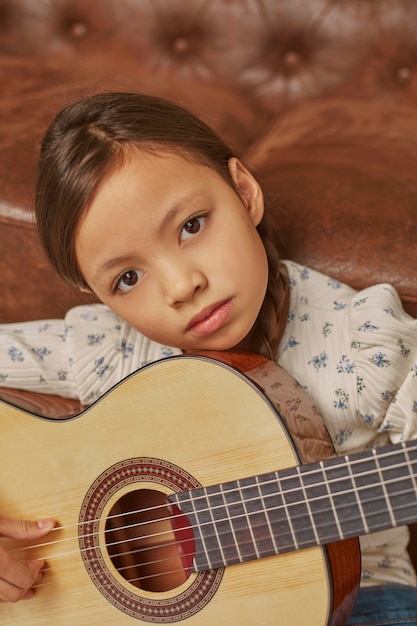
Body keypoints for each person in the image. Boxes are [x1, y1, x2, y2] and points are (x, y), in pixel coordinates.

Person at [0, 92, 416, 624]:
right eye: (128, 278)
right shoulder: (113, 348)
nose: (181, 285)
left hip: (360, 599)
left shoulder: (361, 344)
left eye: (192, 225)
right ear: (98, 296)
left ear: (244, 193)